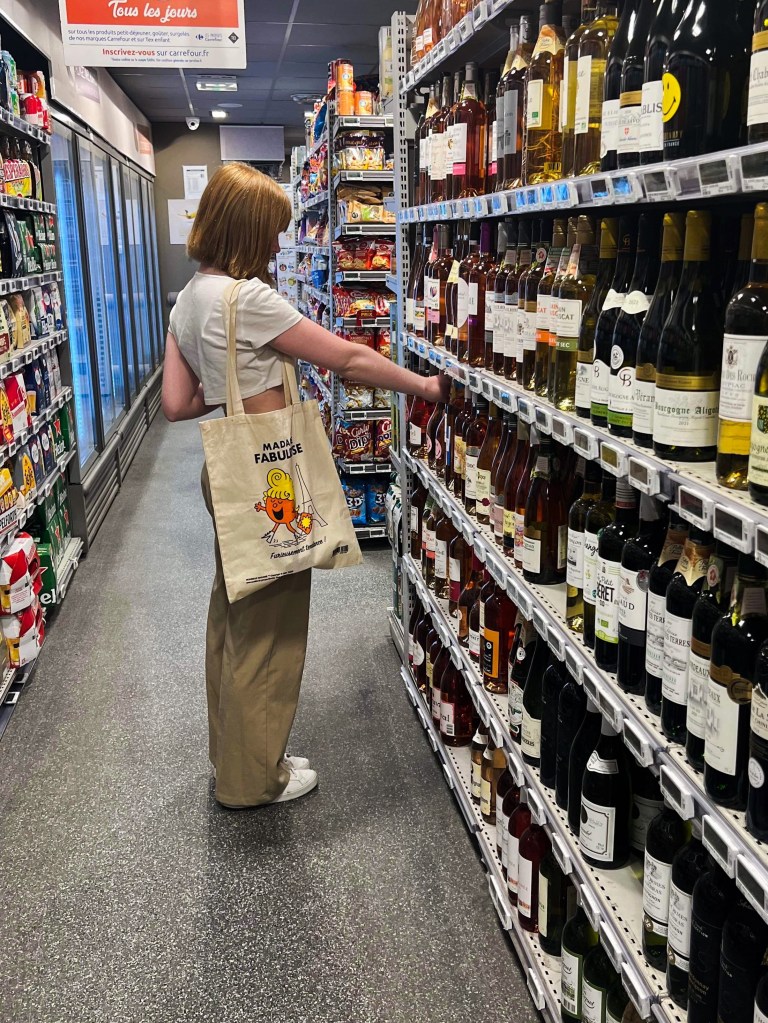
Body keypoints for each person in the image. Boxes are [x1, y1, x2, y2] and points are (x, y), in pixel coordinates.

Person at [161, 162, 448, 810]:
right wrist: (425, 386)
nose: (277, 246)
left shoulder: (189, 297)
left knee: (232, 616)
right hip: (273, 477)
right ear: (247, 230)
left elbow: (176, 404)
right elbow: (345, 357)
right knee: (271, 629)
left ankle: (235, 753)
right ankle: (253, 780)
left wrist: (233, 383)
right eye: (272, 233)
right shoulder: (249, 299)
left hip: (227, 474)